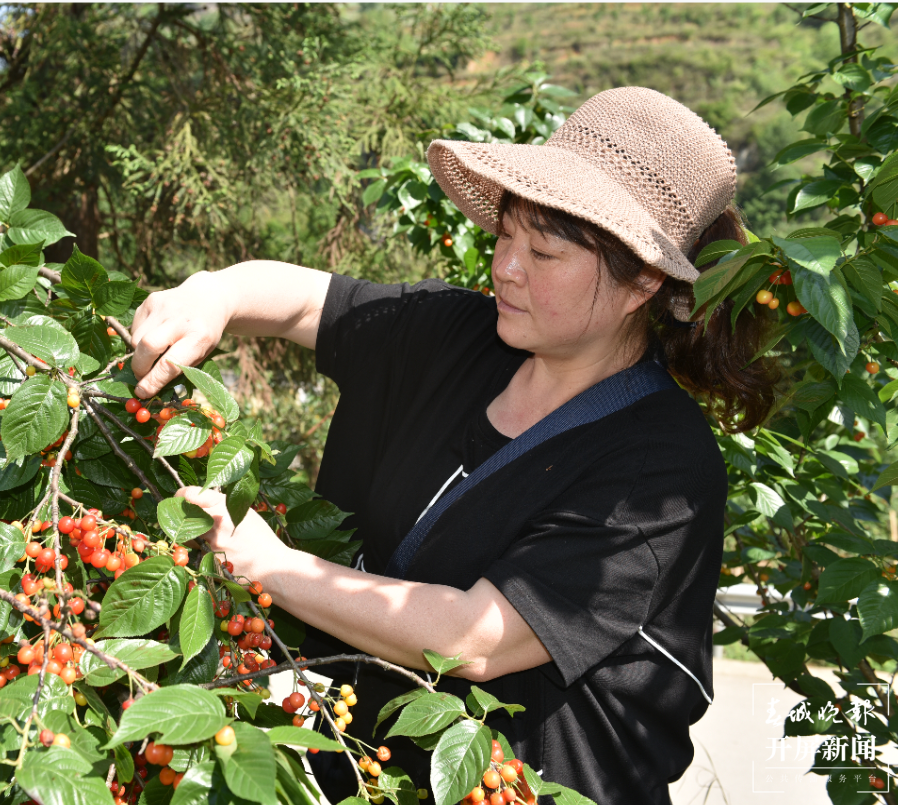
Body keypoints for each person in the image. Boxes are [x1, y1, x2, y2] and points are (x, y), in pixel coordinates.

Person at [128, 87, 778, 804]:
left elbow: (475, 637)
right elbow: (309, 303)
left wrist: (270, 565)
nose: (506, 267)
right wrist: (213, 295)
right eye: (506, 237)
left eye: (543, 251)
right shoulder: (461, 337)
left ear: (643, 281)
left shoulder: (660, 467)